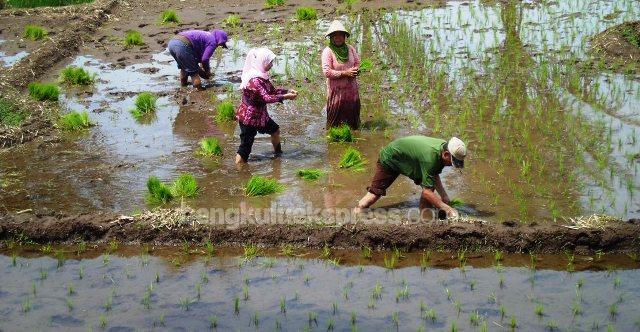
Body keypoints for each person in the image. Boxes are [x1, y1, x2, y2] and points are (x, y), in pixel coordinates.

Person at [354, 136, 467, 218]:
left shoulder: (442, 148)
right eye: (451, 162)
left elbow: (434, 172)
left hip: (406, 158)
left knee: (429, 186)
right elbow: (427, 192)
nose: (450, 165)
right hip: (391, 157)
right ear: (446, 154)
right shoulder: (430, 157)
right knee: (374, 195)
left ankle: (425, 218)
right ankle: (357, 215)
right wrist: (448, 209)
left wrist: (444, 195)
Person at [235, 48, 298, 164]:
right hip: (249, 118)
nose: (272, 65)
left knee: (275, 130)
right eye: (270, 62)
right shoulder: (254, 80)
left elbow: (272, 91)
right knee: (245, 147)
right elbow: (266, 97)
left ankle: (278, 154)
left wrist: (287, 91)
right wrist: (286, 97)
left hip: (260, 116)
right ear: (262, 61)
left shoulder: (262, 76)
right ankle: (239, 171)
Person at [321, 20, 361, 129]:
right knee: (335, 123)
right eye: (334, 36)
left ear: (344, 37)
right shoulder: (328, 51)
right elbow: (327, 72)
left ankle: (353, 132)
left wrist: (356, 70)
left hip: (351, 90)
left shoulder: (350, 48)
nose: (337, 38)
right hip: (336, 92)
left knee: (353, 122)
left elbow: (357, 62)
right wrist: (345, 73)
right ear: (330, 37)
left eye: (340, 35)